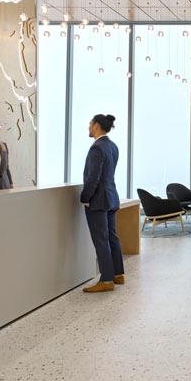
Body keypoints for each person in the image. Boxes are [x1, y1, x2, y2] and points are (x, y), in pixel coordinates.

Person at [80, 114, 124, 294]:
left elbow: (93, 178)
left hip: (98, 201)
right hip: (111, 198)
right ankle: (118, 274)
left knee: (101, 240)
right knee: (112, 237)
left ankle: (106, 280)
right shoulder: (112, 146)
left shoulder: (96, 148)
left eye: (90, 124)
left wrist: (85, 198)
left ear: (96, 125)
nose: (89, 127)